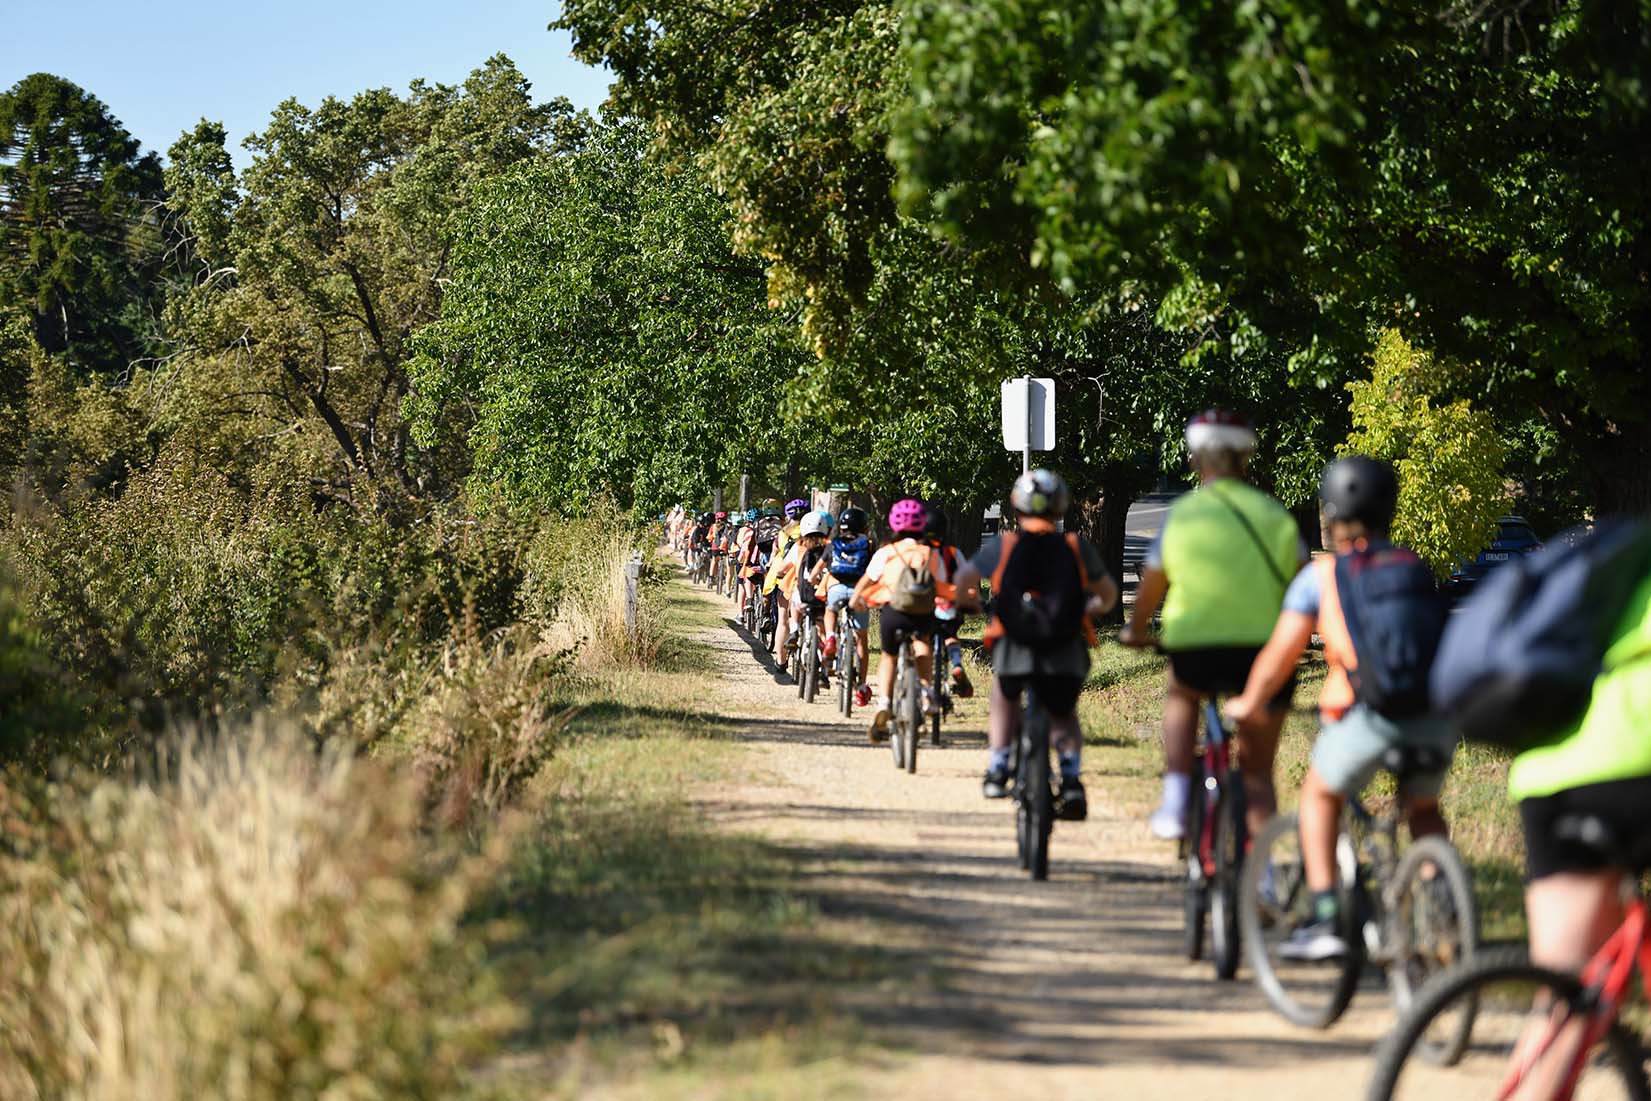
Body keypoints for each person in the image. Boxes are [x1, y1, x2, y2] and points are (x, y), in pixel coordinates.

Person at [1225, 457, 1455, 960]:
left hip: (1367, 717)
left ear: (1331, 513)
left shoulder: (1323, 576)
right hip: (1434, 718)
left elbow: (1280, 657)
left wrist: (1248, 702)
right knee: (1423, 808)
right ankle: (1446, 916)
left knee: (1319, 799)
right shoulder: (1414, 566)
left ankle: (1327, 918)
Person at [1121, 409, 1304, 842]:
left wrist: (1136, 629)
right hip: (1265, 653)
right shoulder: (1276, 516)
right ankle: (1264, 879)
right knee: (1258, 776)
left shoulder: (1183, 515)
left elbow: (1152, 584)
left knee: (1182, 694)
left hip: (1196, 648)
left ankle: (1178, 798)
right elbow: (1302, 587)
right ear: (1247, 457)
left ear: (1194, 459)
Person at [953, 470, 1118, 820]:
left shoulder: (1004, 545)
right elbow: (1107, 595)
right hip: (1064, 646)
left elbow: (965, 577)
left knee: (1004, 693)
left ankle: (998, 766)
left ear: (1016, 507)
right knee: (1064, 713)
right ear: (1060, 509)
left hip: (1015, 644)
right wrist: (1092, 607)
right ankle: (1071, 779)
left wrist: (966, 601)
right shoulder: (1076, 547)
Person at [849, 499, 952, 741]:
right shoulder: (931, 553)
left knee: (889, 656)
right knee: (923, 644)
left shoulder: (887, 551)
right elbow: (942, 585)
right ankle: (926, 691)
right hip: (923, 613)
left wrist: (856, 598)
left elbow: (868, 579)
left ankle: (884, 702)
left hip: (894, 613)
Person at [818, 505, 876, 708]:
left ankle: (831, 637)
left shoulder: (833, 543)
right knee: (862, 641)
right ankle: (861, 687)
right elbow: (873, 570)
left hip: (837, 590)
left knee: (830, 610)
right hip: (858, 593)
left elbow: (821, 568)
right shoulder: (868, 544)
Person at [923, 504, 974, 699]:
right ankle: (957, 664)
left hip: (924, 605)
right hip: (948, 604)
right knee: (950, 635)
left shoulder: (918, 552)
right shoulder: (954, 553)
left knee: (922, 640)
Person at [773, 509, 834, 669]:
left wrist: (779, 574)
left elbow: (782, 568)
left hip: (800, 592)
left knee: (785, 620)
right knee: (822, 623)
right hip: (823, 595)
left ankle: (783, 654)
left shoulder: (799, 546)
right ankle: (825, 663)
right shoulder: (830, 547)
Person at [767, 499, 812, 663]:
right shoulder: (811, 533)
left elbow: (775, 556)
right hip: (806, 580)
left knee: (783, 620)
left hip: (785, 580)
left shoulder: (782, 533)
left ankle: (781, 660)